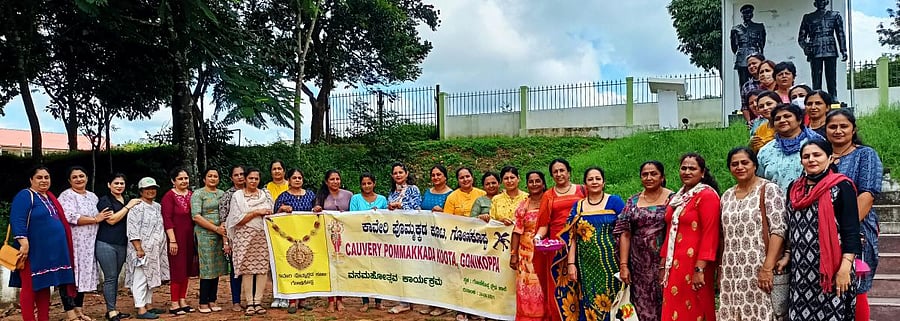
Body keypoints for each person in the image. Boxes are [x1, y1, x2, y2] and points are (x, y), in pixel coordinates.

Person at [782, 140, 860, 320]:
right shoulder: (794, 189)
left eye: (817, 155)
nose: (811, 159)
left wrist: (845, 268)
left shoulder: (841, 186)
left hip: (833, 268)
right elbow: (790, 226)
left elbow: (851, 230)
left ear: (830, 158)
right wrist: (787, 254)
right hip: (801, 270)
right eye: (806, 156)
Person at [825, 109, 884, 321]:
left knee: (856, 286)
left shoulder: (865, 155)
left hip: (857, 231)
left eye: (844, 126)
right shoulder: (820, 156)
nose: (838, 130)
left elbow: (868, 195)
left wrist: (841, 229)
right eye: (833, 126)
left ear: (854, 129)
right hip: (823, 231)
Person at [718, 147, 787, 321]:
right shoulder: (726, 196)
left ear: (755, 165)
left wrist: (767, 268)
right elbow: (723, 235)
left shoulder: (769, 190)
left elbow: (778, 230)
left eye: (745, 162)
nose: (740, 167)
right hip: (731, 272)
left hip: (759, 268)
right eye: (734, 164)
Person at [9, 166, 76, 321]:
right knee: (30, 287)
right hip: (32, 251)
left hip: (51, 253)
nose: (44, 180)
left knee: (44, 286)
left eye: (46, 177)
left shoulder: (50, 197)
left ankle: (44, 318)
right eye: (39, 177)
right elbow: (17, 220)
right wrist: (24, 243)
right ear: (31, 180)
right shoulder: (25, 195)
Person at [659, 153, 720, 321]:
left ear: (702, 173)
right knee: (673, 307)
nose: (687, 172)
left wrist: (700, 269)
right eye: (683, 168)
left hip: (695, 264)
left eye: (692, 168)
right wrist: (663, 265)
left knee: (695, 308)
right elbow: (670, 232)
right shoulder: (677, 198)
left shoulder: (707, 196)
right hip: (673, 265)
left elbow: (710, 234)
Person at [561, 167, 625, 321]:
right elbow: (572, 238)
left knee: (615, 302)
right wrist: (571, 264)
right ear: (585, 184)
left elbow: (625, 232)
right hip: (587, 267)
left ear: (603, 182)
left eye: (598, 178)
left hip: (612, 264)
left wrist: (624, 263)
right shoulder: (578, 206)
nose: (594, 182)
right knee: (590, 303)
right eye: (590, 179)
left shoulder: (615, 202)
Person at [614, 161, 673, 321]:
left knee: (666, 306)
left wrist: (665, 263)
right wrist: (624, 266)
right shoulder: (633, 201)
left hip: (665, 264)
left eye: (653, 174)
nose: (649, 177)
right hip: (639, 268)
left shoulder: (673, 200)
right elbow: (625, 233)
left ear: (662, 177)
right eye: (645, 174)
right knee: (641, 308)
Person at [58, 166, 112, 321]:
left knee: (82, 278)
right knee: (70, 277)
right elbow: (69, 216)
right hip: (73, 244)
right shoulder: (66, 196)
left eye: (81, 176)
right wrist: (95, 219)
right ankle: (70, 313)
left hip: (89, 245)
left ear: (87, 178)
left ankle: (79, 310)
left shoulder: (92, 197)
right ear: (69, 181)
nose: (79, 179)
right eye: (74, 177)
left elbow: (102, 215)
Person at [535, 158, 585, 321]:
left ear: (569, 172)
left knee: (581, 283)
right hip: (557, 248)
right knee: (559, 287)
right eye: (555, 172)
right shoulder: (548, 195)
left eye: (562, 170)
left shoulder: (582, 190)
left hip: (582, 242)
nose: (559, 174)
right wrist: (538, 237)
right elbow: (544, 224)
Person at [226, 168, 274, 316]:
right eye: (251, 178)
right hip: (244, 236)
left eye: (256, 179)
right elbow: (237, 220)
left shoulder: (265, 195)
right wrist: (256, 212)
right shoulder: (238, 196)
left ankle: (258, 302)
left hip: (262, 235)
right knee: (247, 269)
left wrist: (264, 213)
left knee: (261, 268)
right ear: (245, 179)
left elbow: (271, 214)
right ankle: (249, 303)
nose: (253, 181)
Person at [96, 174, 143, 321]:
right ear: (109, 185)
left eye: (122, 183)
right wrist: (128, 207)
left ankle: (113, 308)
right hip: (106, 243)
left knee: (115, 277)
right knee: (110, 278)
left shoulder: (127, 199)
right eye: (116, 183)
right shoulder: (105, 200)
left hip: (122, 244)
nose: (119, 186)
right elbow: (111, 220)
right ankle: (111, 311)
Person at [272, 168, 316, 314]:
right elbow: (273, 217)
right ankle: (291, 300)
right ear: (289, 180)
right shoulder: (283, 196)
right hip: (288, 239)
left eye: (299, 178)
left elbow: (316, 212)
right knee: (291, 266)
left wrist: (317, 209)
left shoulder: (310, 195)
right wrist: (282, 209)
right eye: (294, 178)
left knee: (306, 265)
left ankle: (303, 300)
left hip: (307, 237)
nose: (297, 180)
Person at [126, 177, 170, 320]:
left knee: (151, 277)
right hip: (141, 249)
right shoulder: (136, 207)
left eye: (153, 188)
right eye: (147, 189)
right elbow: (132, 230)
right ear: (141, 191)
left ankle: (148, 304)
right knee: (140, 278)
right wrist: (138, 248)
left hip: (156, 249)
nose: (151, 191)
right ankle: (140, 308)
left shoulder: (157, 206)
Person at [757, 103, 824, 191]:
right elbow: (759, 181)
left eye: (787, 116)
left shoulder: (816, 144)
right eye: (777, 119)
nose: (782, 120)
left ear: (799, 120)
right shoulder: (766, 150)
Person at [509, 171, 548, 321]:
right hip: (525, 256)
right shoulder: (523, 205)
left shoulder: (549, 201)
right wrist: (513, 254)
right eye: (531, 181)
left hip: (546, 253)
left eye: (538, 181)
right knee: (526, 288)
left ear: (543, 183)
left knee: (544, 287)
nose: (534, 184)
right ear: (527, 185)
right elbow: (517, 231)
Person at [312, 170, 353, 313]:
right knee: (329, 269)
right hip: (325, 237)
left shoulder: (349, 195)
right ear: (326, 182)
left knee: (341, 268)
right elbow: (315, 213)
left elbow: (354, 214)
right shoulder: (321, 196)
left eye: (337, 179)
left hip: (344, 237)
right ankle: (330, 300)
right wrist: (316, 209)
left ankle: (340, 299)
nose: (335, 182)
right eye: (332, 179)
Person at [348, 173, 388, 312]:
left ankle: (378, 302)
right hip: (361, 240)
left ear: (374, 183)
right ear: (360, 185)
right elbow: (352, 217)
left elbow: (387, 218)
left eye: (369, 183)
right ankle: (365, 302)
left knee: (379, 271)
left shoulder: (382, 199)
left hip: (378, 241)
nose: (366, 186)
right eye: (364, 183)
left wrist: (378, 213)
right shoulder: (355, 199)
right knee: (363, 271)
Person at [385, 163, 421, 315]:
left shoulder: (413, 189)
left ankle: (409, 300)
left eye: (401, 172)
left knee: (410, 266)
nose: (398, 175)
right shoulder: (392, 192)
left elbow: (416, 205)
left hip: (411, 234)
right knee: (399, 266)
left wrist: (400, 205)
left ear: (406, 173)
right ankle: (404, 301)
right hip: (396, 234)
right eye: (395, 173)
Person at [190, 169, 228, 313]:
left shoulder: (222, 194)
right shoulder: (198, 194)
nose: (213, 178)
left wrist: (222, 230)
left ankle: (213, 299)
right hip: (204, 234)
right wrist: (215, 228)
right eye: (210, 176)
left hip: (220, 234)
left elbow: (225, 212)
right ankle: (203, 302)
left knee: (216, 268)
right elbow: (196, 216)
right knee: (207, 267)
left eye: (215, 176)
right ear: (204, 179)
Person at [161, 168, 196, 315]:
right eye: (180, 179)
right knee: (177, 270)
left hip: (189, 238)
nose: (184, 181)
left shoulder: (191, 195)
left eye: (186, 178)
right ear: (173, 181)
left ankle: (183, 300)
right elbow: (167, 219)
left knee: (186, 270)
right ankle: (174, 303)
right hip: (176, 238)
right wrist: (173, 240)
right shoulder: (169, 196)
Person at [799, 0, 848, 98]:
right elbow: (801, 37)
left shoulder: (835, 15)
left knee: (831, 76)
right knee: (816, 78)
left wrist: (843, 50)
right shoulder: (808, 17)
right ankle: (817, 97)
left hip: (830, 48)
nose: (821, 3)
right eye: (819, 1)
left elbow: (840, 34)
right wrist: (806, 47)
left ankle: (833, 97)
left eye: (823, 1)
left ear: (826, 2)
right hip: (815, 49)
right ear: (815, 3)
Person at [263, 160, 290, 310]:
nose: (277, 171)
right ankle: (277, 294)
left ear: (284, 171)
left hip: (290, 230)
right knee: (274, 263)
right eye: (274, 169)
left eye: (279, 168)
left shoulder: (290, 185)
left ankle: (288, 295)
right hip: (272, 229)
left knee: (287, 261)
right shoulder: (266, 188)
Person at [218, 165, 245, 312]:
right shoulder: (227, 195)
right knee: (236, 270)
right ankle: (236, 301)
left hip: (252, 237)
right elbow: (223, 221)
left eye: (242, 174)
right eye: (236, 175)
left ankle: (253, 301)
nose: (240, 177)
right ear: (231, 178)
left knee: (251, 270)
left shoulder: (253, 192)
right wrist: (226, 242)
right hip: (234, 237)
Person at [731, 5, 766, 86]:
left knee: (759, 82)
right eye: (745, 13)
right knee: (743, 83)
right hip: (742, 58)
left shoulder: (759, 27)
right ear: (742, 15)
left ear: (752, 14)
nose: (747, 15)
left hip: (755, 55)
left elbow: (762, 43)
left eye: (749, 13)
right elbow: (734, 47)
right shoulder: (735, 29)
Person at [741, 53, 767, 124]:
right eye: (749, 65)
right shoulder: (746, 86)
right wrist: (749, 121)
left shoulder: (772, 81)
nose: (751, 66)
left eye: (754, 63)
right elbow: (744, 106)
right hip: (756, 122)